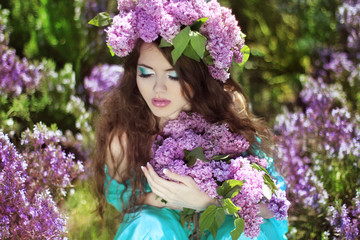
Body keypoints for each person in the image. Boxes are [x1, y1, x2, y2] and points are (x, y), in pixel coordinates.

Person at [90, 0, 288, 239]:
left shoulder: (227, 108)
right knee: (149, 228)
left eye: (173, 76)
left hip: (224, 220)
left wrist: (207, 201)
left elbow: (273, 204)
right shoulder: (127, 132)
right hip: (164, 223)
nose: (158, 88)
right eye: (146, 73)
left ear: (197, 75)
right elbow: (121, 195)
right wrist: (166, 198)